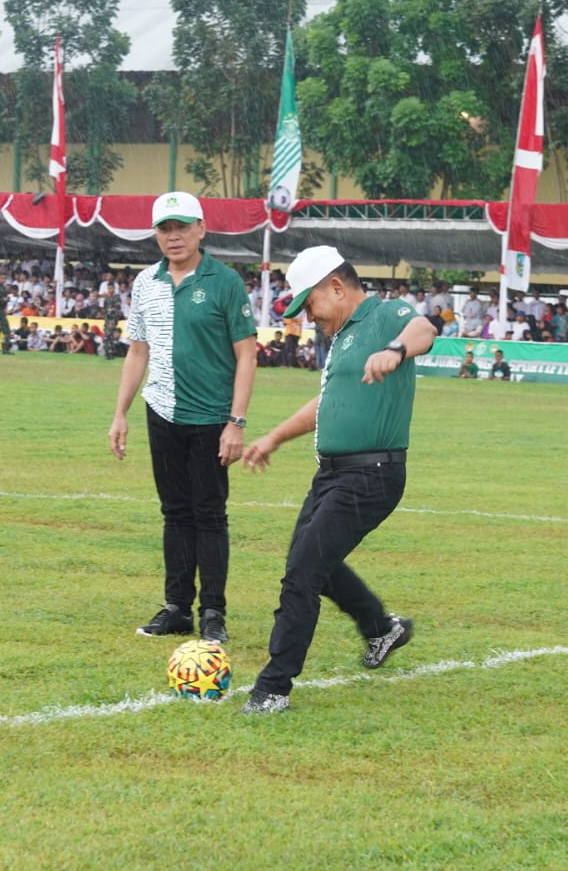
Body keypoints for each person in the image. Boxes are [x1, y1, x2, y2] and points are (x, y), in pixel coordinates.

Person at [237, 245, 436, 714]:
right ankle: (381, 627)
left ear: (337, 287)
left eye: (310, 304)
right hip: (332, 474)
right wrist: (273, 438)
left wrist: (395, 350)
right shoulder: (341, 339)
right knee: (310, 564)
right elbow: (325, 406)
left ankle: (272, 689)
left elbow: (425, 329)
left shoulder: (387, 316)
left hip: (373, 474)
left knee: (301, 573)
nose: (309, 317)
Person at [109, 191, 258, 644]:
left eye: (181, 226)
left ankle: (213, 611)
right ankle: (177, 607)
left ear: (200, 229)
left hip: (212, 417)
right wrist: (120, 414)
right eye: (164, 228)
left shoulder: (225, 282)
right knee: (174, 512)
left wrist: (237, 421)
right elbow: (138, 350)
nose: (173, 236)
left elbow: (247, 355)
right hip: (162, 412)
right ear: (155, 235)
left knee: (209, 515)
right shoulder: (145, 283)